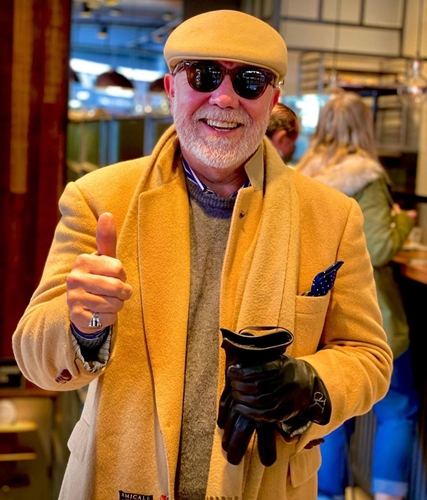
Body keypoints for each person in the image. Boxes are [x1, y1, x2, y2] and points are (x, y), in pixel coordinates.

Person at [12, 11, 392, 500]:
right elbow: (34, 359)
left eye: (249, 81)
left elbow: (368, 356)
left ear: (273, 99)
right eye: (204, 75)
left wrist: (312, 383)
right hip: (116, 478)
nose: (224, 98)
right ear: (172, 88)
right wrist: (83, 323)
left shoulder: (333, 216)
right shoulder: (99, 198)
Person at [296, 92, 419, 500]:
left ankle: (325, 494)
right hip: (369, 313)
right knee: (397, 410)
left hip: (316, 311)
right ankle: (388, 496)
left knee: (330, 410)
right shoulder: (366, 176)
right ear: (365, 127)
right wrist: (404, 221)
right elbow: (379, 247)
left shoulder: (302, 173)